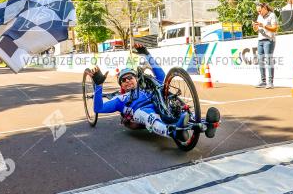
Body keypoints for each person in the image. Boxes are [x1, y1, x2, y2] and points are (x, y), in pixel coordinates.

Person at [90, 44, 220, 141]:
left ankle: (208, 124)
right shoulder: (120, 99)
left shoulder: (147, 87)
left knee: (174, 103)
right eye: (123, 80)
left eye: (130, 77)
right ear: (121, 85)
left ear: (136, 79)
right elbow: (98, 108)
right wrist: (98, 85)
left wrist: (147, 54)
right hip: (142, 111)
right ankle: (174, 132)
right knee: (147, 115)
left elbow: (162, 77)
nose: (128, 81)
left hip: (159, 103)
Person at [253, 1, 278, 88]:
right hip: (260, 40)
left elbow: (275, 29)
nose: (259, 13)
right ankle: (263, 81)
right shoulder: (259, 16)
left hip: (269, 40)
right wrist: (255, 26)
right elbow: (256, 30)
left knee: (269, 61)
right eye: (258, 11)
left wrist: (263, 25)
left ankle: (270, 82)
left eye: (260, 11)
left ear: (264, 8)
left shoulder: (272, 15)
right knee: (260, 61)